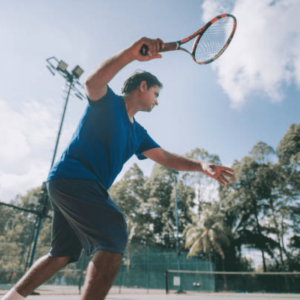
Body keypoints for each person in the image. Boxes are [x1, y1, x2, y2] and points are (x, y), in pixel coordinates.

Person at [2, 37, 235, 300]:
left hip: (69, 185)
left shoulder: (138, 134)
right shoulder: (107, 103)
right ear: (143, 86)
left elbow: (167, 158)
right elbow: (92, 83)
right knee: (114, 232)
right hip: (73, 178)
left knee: (61, 254)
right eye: (156, 95)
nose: (157, 102)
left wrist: (202, 166)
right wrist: (130, 55)